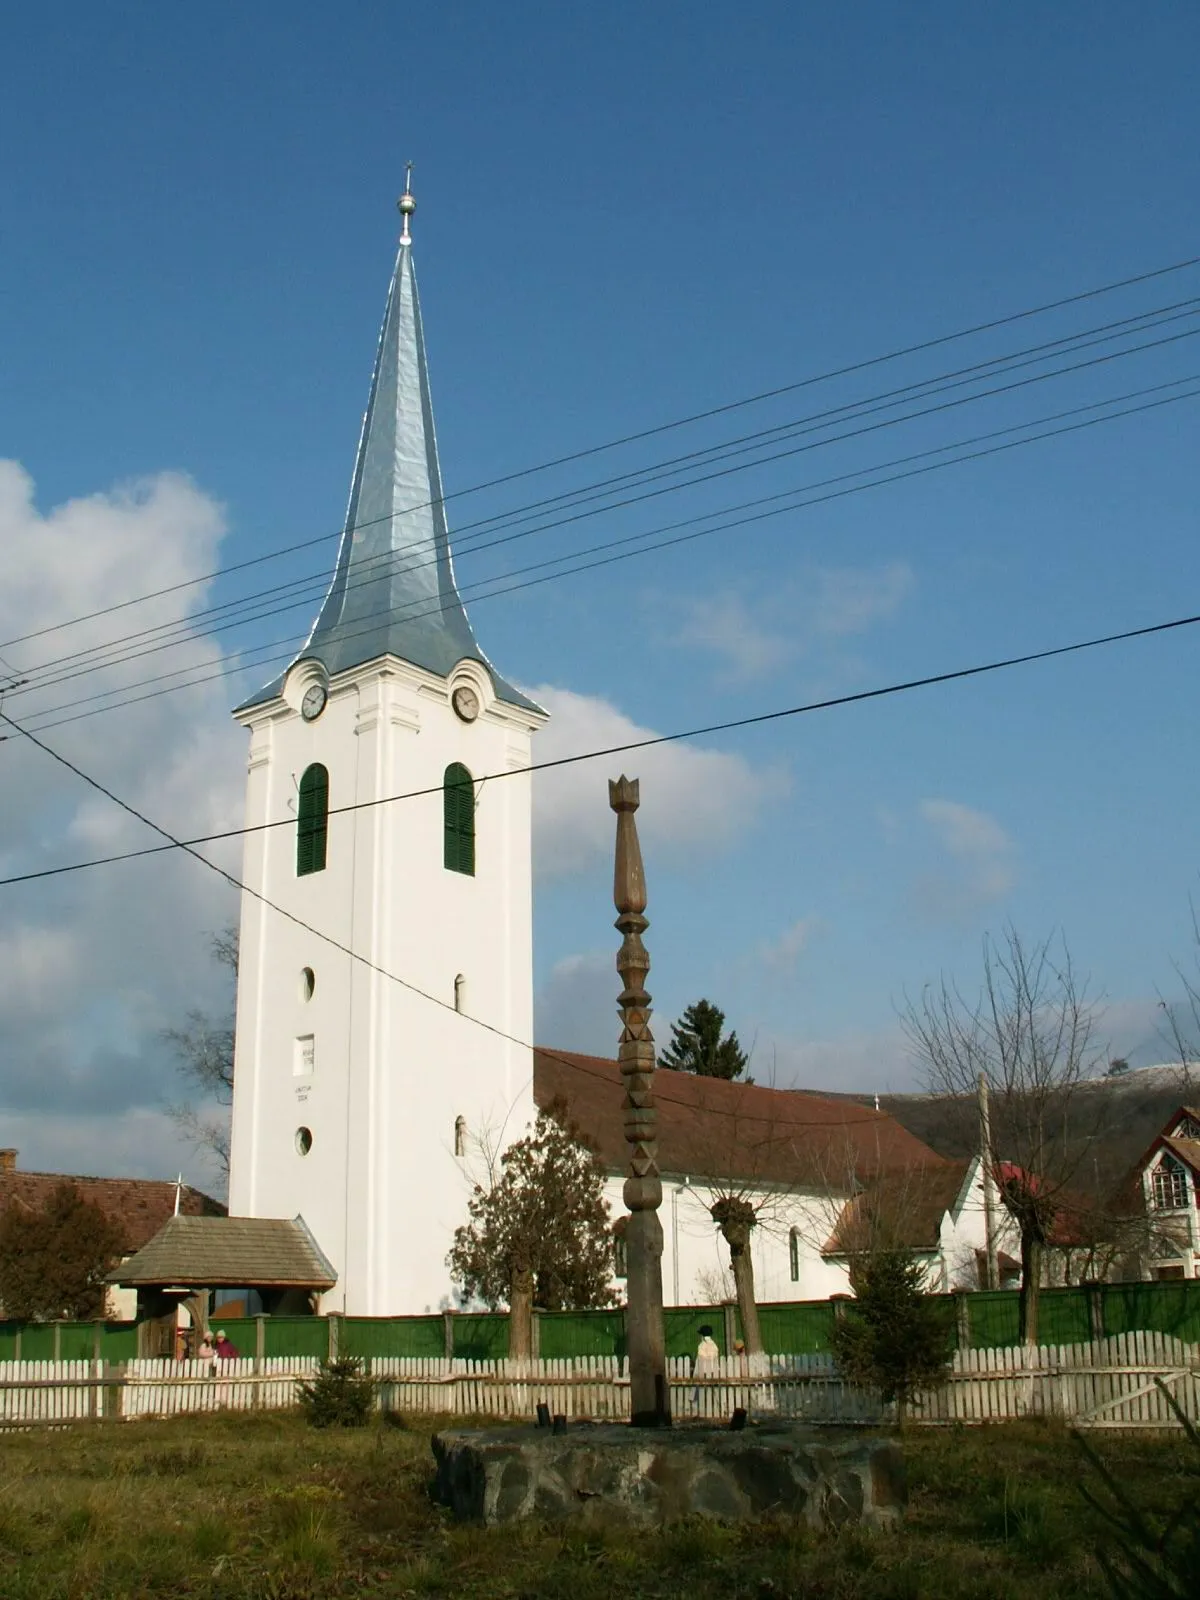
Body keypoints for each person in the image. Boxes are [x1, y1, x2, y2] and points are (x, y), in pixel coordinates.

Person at [693, 1324, 720, 1415]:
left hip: (703, 1373)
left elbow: (701, 1361)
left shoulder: (701, 1346)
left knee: (700, 1394)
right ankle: (716, 1410)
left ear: (702, 1335)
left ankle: (699, 1410)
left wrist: (696, 1375)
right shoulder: (715, 1346)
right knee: (713, 1394)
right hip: (714, 1373)